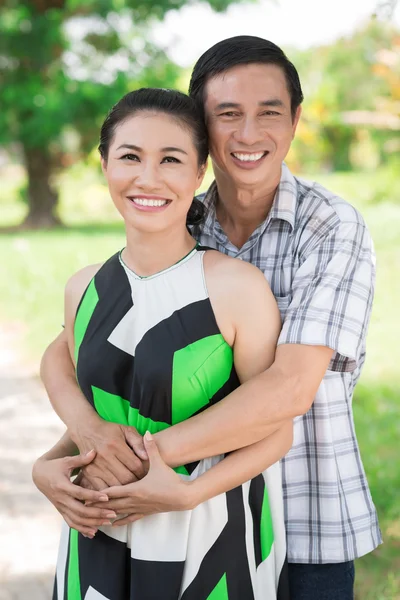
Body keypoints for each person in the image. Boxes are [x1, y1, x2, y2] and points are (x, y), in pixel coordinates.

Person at [38, 36, 381, 600]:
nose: (248, 135)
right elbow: (77, 345)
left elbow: (290, 387)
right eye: (228, 115)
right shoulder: (177, 216)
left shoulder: (331, 228)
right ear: (203, 129)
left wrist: (130, 460)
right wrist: (85, 438)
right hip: (150, 507)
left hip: (303, 509)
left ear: (295, 120)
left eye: (268, 113)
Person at [33, 87, 294, 599]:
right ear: (104, 163)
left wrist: (187, 493)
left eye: (170, 159)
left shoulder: (235, 288)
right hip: (99, 533)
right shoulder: (84, 288)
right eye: (130, 156)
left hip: (208, 532)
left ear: (199, 173)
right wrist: (46, 468)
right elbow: (100, 417)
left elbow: (275, 430)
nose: (147, 178)